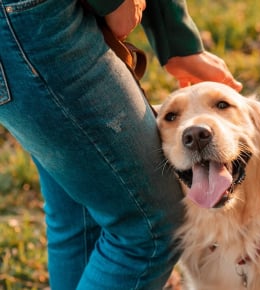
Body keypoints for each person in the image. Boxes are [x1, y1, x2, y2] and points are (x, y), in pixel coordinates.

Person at [0, 0, 242, 289]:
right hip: (29, 22)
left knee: (84, 211)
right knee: (150, 228)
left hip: (27, 22)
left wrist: (175, 35)